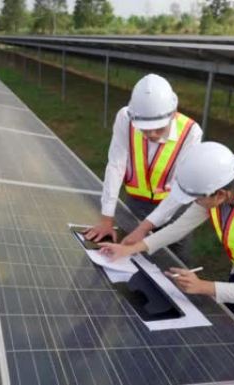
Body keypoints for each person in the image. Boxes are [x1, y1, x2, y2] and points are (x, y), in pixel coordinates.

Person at [100, 142, 234, 368]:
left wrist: (202, 287)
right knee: (225, 325)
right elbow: (178, 228)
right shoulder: (218, 194)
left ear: (220, 194)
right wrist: (130, 249)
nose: (194, 202)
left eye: (196, 198)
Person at [84, 74, 203, 263]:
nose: (152, 134)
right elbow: (116, 165)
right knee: (133, 260)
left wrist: (144, 228)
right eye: (145, 129)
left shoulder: (191, 132)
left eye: (158, 129)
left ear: (173, 114)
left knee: (177, 264)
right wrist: (107, 218)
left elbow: (180, 188)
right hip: (136, 204)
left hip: (174, 207)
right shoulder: (125, 117)